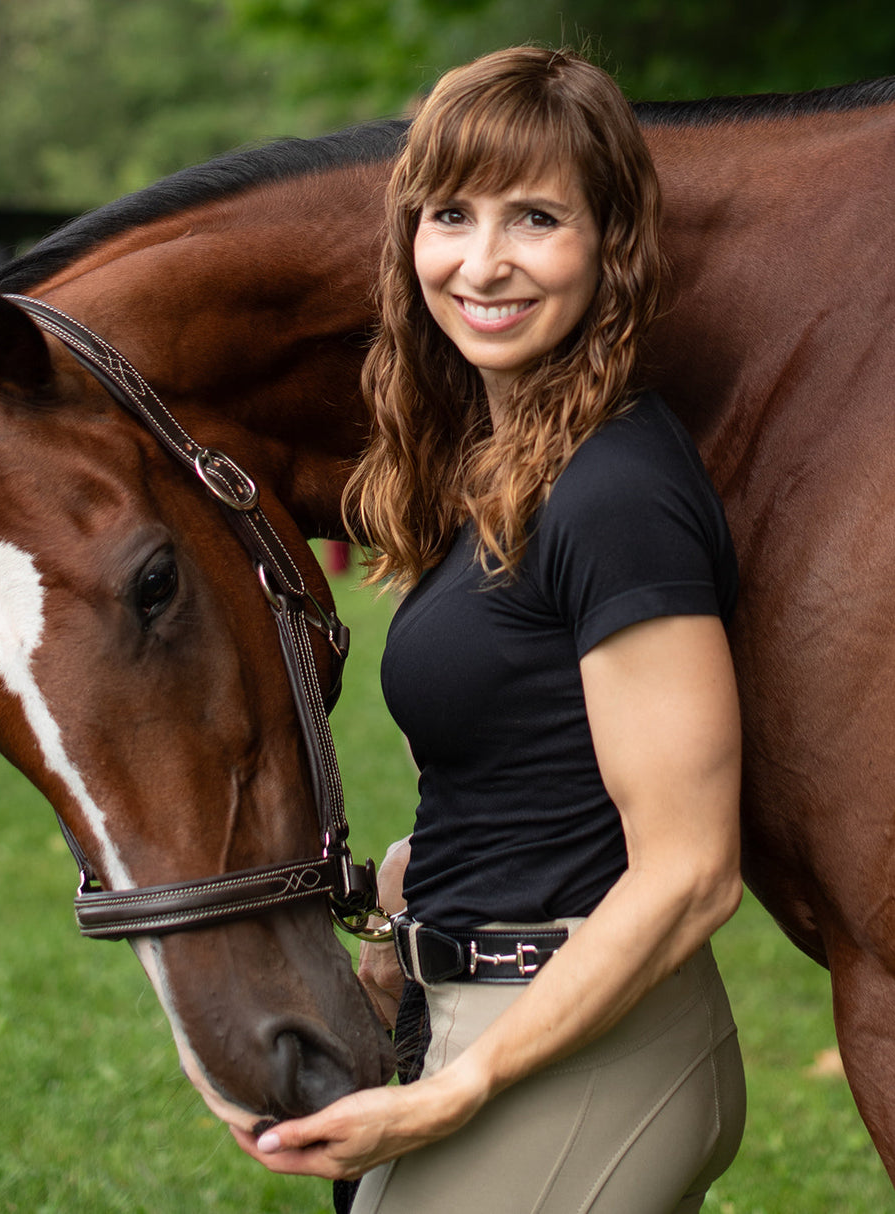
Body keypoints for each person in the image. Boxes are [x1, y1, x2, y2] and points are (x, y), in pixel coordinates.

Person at [230, 45, 746, 1213]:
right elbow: (535, 746)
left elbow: (689, 869)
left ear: (610, 246)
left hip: (581, 1038)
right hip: (477, 999)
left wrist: (451, 1094)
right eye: (449, 213)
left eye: (535, 217)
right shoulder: (505, 469)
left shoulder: (613, 492)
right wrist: (416, 892)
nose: (483, 259)